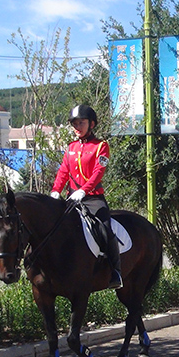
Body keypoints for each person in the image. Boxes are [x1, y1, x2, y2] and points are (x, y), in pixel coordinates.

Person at [51, 104, 122, 289]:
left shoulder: (101, 146)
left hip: (93, 199)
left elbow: (99, 172)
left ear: (91, 124)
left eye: (81, 122)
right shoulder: (70, 148)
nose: (77, 127)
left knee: (105, 229)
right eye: (74, 123)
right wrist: (56, 191)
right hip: (71, 199)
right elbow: (63, 172)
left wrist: (84, 190)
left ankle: (115, 271)